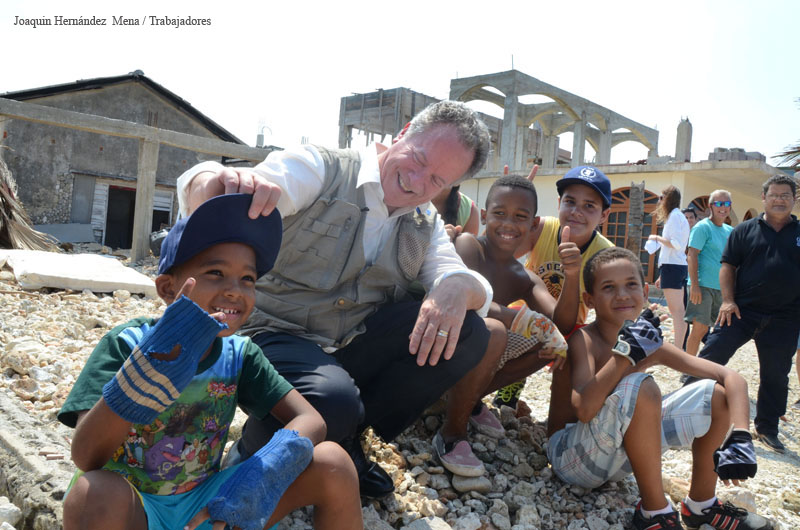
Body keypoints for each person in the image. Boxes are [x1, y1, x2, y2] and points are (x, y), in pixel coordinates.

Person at [177, 100, 496, 498]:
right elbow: (228, 187)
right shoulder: (321, 168)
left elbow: (472, 288)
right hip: (272, 337)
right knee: (333, 399)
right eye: (416, 158)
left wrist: (456, 285)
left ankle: (346, 437)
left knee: (469, 331)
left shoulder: (424, 224)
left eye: (436, 180)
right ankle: (253, 449)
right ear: (403, 133)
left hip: (348, 343)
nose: (417, 181)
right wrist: (210, 179)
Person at [58, 194, 362, 530]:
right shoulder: (126, 345)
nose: (234, 290)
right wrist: (138, 384)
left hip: (211, 509)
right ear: (168, 288)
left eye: (247, 279)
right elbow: (87, 458)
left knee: (333, 463)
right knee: (93, 493)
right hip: (134, 509)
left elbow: (310, 420)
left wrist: (255, 480)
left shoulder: (239, 355)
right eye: (215, 272)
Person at [547, 247, 773, 530]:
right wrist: (626, 355)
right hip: (571, 460)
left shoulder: (649, 343)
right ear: (589, 300)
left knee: (717, 395)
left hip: (614, 461)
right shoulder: (584, 339)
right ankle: (654, 514)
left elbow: (730, 377)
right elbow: (584, 409)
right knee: (642, 386)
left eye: (631, 285)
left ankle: (701, 505)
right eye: (608, 288)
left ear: (644, 291)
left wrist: (740, 436)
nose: (622, 295)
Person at [433, 174, 579, 476]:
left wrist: (573, 274)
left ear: (533, 224)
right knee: (494, 330)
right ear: (485, 216)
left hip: (473, 359)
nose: (509, 224)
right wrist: (521, 319)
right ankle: (451, 434)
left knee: (551, 344)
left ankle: (469, 401)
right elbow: (466, 298)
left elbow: (561, 324)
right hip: (435, 355)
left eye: (520, 217)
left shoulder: (521, 275)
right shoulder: (468, 245)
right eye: (500, 214)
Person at [688, 175, 800, 453]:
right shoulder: (744, 230)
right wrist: (727, 301)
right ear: (764, 198)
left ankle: (767, 428)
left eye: (785, 195)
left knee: (776, 374)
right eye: (774, 195)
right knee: (712, 355)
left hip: (786, 317)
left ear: (794, 200)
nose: (779, 200)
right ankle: (684, 409)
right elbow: (728, 267)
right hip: (741, 310)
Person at [493, 165, 615, 411]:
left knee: (581, 350)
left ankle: (563, 411)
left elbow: (606, 313)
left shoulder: (605, 255)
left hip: (569, 324)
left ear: (604, 215)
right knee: (511, 332)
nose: (577, 212)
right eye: (570, 201)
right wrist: (513, 215)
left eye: (589, 206)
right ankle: (505, 391)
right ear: (559, 202)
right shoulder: (543, 229)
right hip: (527, 315)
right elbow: (501, 258)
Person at [683, 190, 733, 357]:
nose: (723, 208)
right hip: (702, 286)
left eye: (726, 204)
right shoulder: (702, 227)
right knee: (699, 329)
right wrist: (695, 286)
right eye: (718, 203)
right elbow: (692, 255)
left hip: (722, 289)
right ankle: (687, 369)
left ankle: (705, 367)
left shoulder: (730, 231)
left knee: (715, 332)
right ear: (711, 206)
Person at [648, 186, 691, 347]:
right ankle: (680, 347)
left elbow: (675, 244)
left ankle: (678, 348)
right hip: (678, 266)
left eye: (661, 197)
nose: (659, 201)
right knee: (680, 311)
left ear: (667, 198)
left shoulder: (674, 217)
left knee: (677, 312)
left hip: (672, 266)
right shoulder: (679, 217)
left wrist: (656, 238)